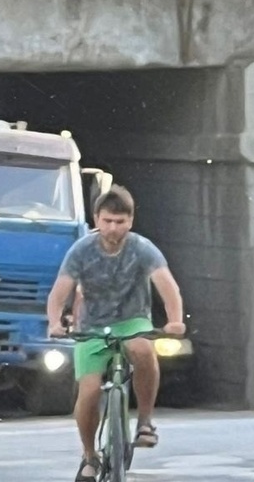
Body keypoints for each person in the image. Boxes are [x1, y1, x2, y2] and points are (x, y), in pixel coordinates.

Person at [46, 184, 185, 481]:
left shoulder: (142, 248)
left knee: (143, 349)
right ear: (96, 219)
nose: (113, 228)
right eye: (107, 220)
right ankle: (89, 456)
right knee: (90, 391)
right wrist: (55, 322)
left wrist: (175, 320)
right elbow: (60, 290)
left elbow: (167, 285)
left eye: (120, 222)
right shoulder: (81, 250)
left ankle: (145, 421)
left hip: (132, 320)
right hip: (91, 326)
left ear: (131, 221)